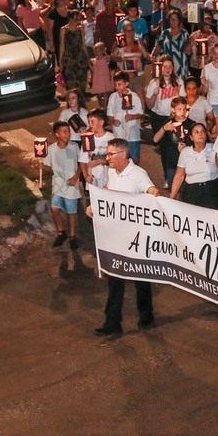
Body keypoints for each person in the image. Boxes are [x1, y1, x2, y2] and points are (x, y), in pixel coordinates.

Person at [91, 138, 160, 337]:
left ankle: (146, 315)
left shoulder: (138, 174)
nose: (107, 158)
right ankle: (112, 321)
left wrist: (154, 193)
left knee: (140, 276)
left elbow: (149, 189)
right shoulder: (112, 172)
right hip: (116, 236)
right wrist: (94, 205)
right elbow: (108, 192)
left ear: (123, 155)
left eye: (111, 154)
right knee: (115, 278)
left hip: (136, 238)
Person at [44, 122, 82, 250]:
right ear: (57, 134)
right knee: (55, 209)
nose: (68, 134)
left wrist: (76, 177)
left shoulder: (74, 147)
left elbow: (82, 163)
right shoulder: (51, 149)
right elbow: (48, 167)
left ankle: (72, 236)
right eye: (64, 132)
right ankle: (61, 232)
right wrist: (42, 166)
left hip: (71, 185)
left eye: (69, 131)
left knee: (71, 213)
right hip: (58, 184)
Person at [169, 123, 218, 209]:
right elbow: (179, 175)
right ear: (191, 137)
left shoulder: (214, 149)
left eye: (202, 132)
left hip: (211, 189)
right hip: (191, 190)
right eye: (196, 132)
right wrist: (172, 196)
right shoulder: (185, 152)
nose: (200, 134)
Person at [152, 95, 197, 187]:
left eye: (184, 109)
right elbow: (155, 139)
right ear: (173, 109)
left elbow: (198, 144)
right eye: (179, 109)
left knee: (186, 188)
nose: (182, 112)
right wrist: (164, 129)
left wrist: (187, 147)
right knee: (173, 186)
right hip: (172, 161)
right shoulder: (168, 123)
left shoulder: (191, 124)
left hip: (187, 163)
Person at [106, 71, 145, 164]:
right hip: (118, 133)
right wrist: (113, 121)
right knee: (119, 159)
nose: (117, 87)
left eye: (119, 84)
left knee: (134, 158)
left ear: (126, 84)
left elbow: (140, 113)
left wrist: (132, 116)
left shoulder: (134, 97)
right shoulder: (113, 97)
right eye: (115, 84)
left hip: (132, 134)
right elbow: (109, 114)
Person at [78, 109, 113, 189]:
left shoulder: (110, 138)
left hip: (106, 180)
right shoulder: (87, 138)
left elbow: (114, 160)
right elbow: (82, 160)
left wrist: (99, 161)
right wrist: (86, 176)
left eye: (92, 122)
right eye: (89, 122)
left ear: (101, 122)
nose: (90, 124)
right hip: (92, 178)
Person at [89, 41, 113, 109]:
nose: (97, 52)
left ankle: (105, 106)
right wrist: (90, 66)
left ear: (103, 50)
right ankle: (100, 105)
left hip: (104, 78)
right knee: (98, 94)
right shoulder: (94, 60)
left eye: (99, 50)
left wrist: (105, 52)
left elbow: (109, 58)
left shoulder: (105, 58)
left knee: (105, 93)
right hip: (98, 79)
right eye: (95, 51)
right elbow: (94, 69)